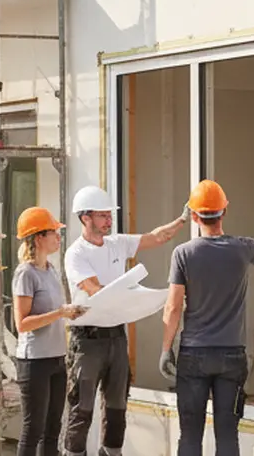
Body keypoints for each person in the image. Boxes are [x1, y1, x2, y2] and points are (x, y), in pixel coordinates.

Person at [159, 180, 254, 456]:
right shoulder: (242, 248)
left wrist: (166, 350)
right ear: (225, 211)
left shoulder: (183, 254)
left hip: (194, 356)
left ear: (195, 216)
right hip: (232, 357)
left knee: (190, 436)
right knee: (227, 436)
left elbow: (173, 307)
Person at [62, 186, 189, 456]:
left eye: (109, 215)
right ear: (85, 218)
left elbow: (156, 237)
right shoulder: (76, 254)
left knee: (117, 405)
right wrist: (132, 297)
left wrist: (181, 220)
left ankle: (112, 452)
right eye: (102, 216)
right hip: (87, 340)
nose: (109, 221)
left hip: (116, 337)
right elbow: (95, 290)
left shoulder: (117, 243)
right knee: (81, 408)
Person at [11, 206, 85, 456]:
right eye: (54, 232)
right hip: (34, 362)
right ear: (39, 237)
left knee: (53, 428)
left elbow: (57, 312)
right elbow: (22, 324)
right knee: (33, 429)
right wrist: (60, 313)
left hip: (56, 358)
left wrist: (70, 313)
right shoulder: (25, 274)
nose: (58, 236)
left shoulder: (51, 270)